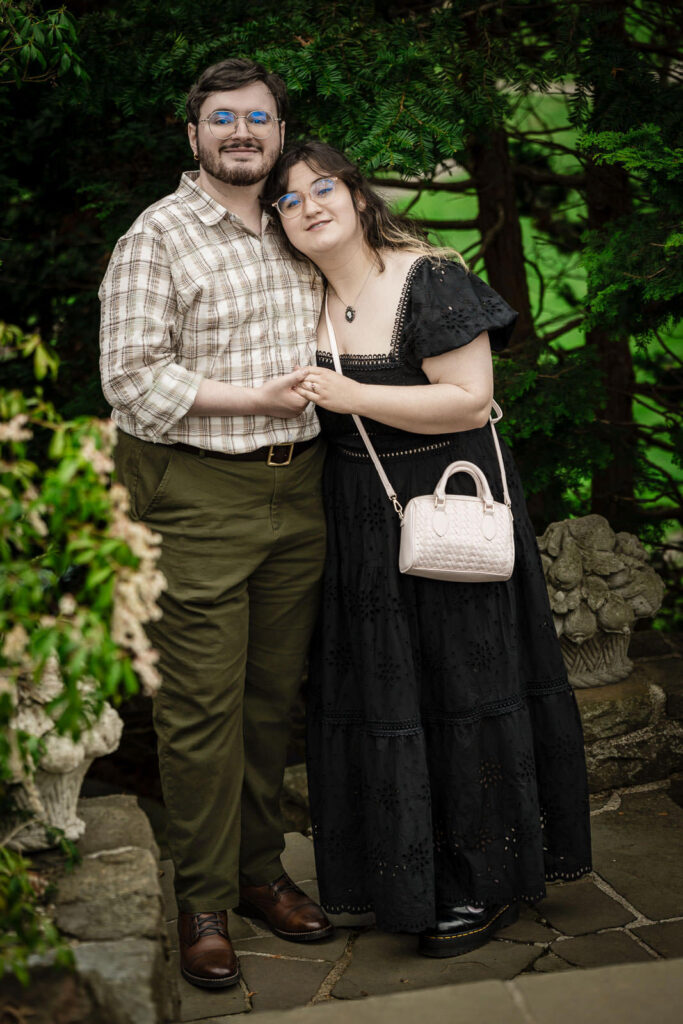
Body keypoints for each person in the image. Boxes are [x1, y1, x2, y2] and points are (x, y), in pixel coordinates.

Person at [263, 141, 592, 957]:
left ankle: (483, 887)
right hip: (358, 518)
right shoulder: (296, 297)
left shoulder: (426, 277)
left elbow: (470, 401)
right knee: (390, 698)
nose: (309, 205)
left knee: (462, 687)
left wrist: (350, 395)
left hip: (445, 497)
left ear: (356, 193)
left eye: (323, 186)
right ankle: (407, 879)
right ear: (278, 223)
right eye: (289, 200)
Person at [99, 62, 334, 991]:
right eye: (223, 118)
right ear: (191, 133)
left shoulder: (294, 223)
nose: (243, 132)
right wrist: (255, 397)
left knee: (272, 700)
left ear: (280, 132)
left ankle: (259, 873)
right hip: (197, 495)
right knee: (201, 713)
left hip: (300, 492)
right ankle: (202, 902)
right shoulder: (156, 238)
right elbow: (132, 382)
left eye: (260, 119)